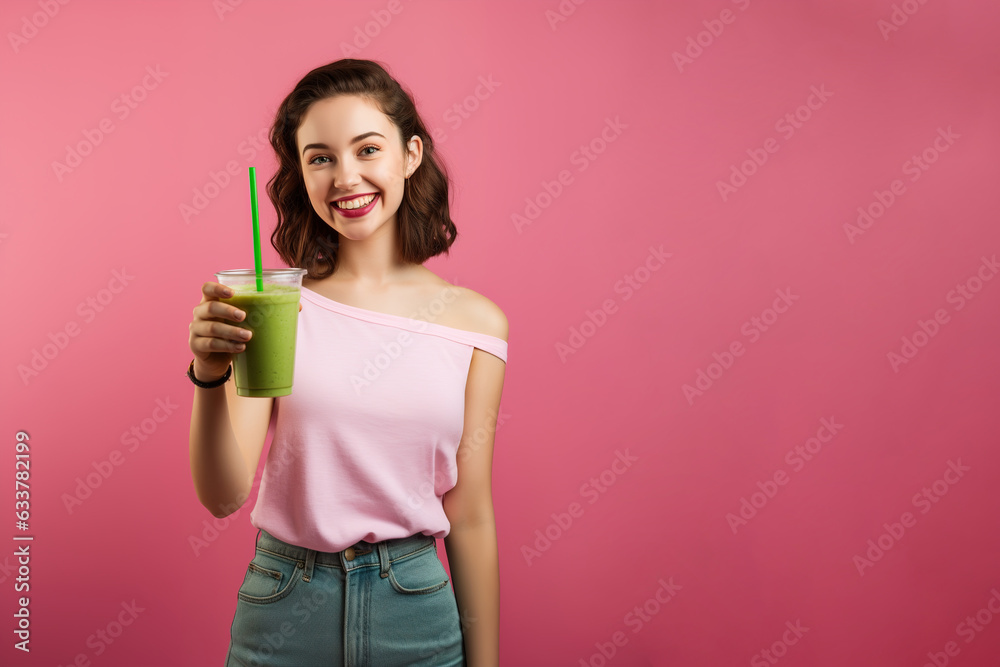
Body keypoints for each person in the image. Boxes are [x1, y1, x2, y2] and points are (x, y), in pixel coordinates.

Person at [186, 59, 507, 667]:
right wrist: (209, 376)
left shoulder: (476, 323)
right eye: (320, 157)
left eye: (367, 149)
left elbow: (471, 516)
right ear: (301, 174)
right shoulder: (274, 305)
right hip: (283, 605)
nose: (346, 176)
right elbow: (223, 494)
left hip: (416, 609)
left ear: (410, 154)